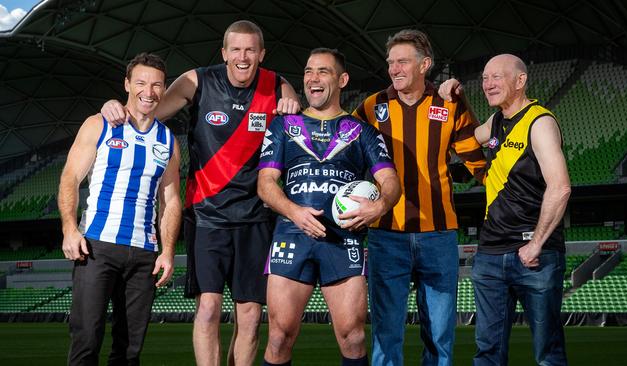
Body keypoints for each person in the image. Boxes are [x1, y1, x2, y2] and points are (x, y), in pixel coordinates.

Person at [101, 20, 301, 366]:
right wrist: (111, 107)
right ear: (223, 53)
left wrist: (292, 104)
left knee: (251, 314)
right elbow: (145, 111)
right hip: (206, 214)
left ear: (262, 54)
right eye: (235, 49)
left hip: (255, 217)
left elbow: (300, 118)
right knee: (208, 308)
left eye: (250, 50)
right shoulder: (197, 80)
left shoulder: (277, 86)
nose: (243, 56)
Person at [257, 48, 401, 366]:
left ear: (342, 80)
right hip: (291, 235)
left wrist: (380, 207)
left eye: (323, 71)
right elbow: (266, 184)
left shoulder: (363, 133)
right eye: (309, 71)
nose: (313, 78)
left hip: (343, 239)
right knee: (279, 336)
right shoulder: (282, 126)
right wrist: (295, 212)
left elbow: (390, 181)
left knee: (353, 336)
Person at [352, 29, 487, 366]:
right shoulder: (371, 107)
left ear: (424, 64)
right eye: (390, 63)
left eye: (402, 62)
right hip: (386, 234)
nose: (394, 69)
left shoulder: (448, 104)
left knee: (440, 336)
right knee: (386, 334)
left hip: (438, 235)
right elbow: (342, 150)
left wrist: (463, 99)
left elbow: (477, 162)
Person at [59, 52, 182, 365]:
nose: (148, 91)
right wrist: (70, 229)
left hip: (144, 254)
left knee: (129, 351)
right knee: (86, 340)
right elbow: (71, 177)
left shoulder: (167, 140)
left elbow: (170, 201)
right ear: (127, 84)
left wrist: (167, 251)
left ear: (164, 90)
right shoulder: (99, 124)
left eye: (156, 85)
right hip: (97, 247)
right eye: (140, 82)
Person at [471, 54, 570, 365]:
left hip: (533, 257)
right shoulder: (496, 121)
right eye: (485, 78)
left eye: (496, 77)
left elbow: (561, 187)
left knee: (548, 354)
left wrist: (536, 244)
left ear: (520, 80)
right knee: (487, 352)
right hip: (489, 255)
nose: (487, 84)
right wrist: (453, 99)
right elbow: (467, 138)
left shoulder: (540, 122)